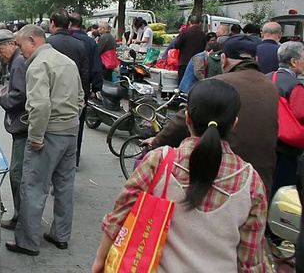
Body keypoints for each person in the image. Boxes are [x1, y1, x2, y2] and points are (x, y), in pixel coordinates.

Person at [92, 79, 268, 273]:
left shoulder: (159, 161)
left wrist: (101, 258)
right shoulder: (251, 182)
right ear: (234, 124)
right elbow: (251, 261)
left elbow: (120, 215)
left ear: (187, 118)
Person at [146, 34, 279, 192]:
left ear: (223, 59)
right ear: (255, 59)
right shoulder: (271, 87)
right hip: (262, 180)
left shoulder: (220, 84)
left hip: (223, 177)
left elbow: (184, 119)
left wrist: (157, 141)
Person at [5, 24, 84, 256]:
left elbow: (40, 105)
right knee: (64, 187)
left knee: (34, 187)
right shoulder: (67, 61)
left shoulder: (38, 65)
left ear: (32, 40)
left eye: (20, 46)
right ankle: (60, 236)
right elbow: (80, 98)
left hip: (49, 133)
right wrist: (70, 121)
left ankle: (27, 242)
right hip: (70, 132)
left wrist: (37, 136)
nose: (20, 51)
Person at [0, 29, 28, 231]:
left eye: (0, 50)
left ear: (12, 44)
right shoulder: (18, 61)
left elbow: (20, 95)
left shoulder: (19, 62)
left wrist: (3, 99)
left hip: (23, 126)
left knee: (17, 174)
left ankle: (21, 217)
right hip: (23, 126)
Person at [267, 41, 304, 195]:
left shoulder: (266, 78)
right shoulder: (295, 86)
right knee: (282, 188)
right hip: (287, 148)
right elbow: (301, 114)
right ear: (293, 61)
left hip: (266, 142)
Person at [68, 12, 103, 167]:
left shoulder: (65, 40)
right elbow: (96, 66)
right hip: (81, 89)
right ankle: (74, 157)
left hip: (62, 88)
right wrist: (96, 87)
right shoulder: (89, 42)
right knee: (78, 123)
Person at [174, 15, 206, 82]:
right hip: (197, 63)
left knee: (183, 83)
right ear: (199, 23)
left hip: (184, 62)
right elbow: (204, 48)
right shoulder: (203, 34)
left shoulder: (185, 32)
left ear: (189, 22)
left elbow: (176, 45)